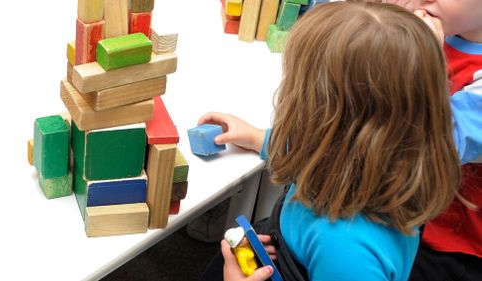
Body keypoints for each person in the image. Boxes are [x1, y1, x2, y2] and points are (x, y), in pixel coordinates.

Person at [199, 1, 471, 280]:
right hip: (283, 248)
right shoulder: (374, 164)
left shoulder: (347, 252)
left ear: (328, 118)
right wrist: (258, 138)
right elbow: (312, 151)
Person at [378, 1, 482, 280]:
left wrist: (422, 61)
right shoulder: (441, 27)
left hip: (452, 246)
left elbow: (433, 147)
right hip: (402, 209)